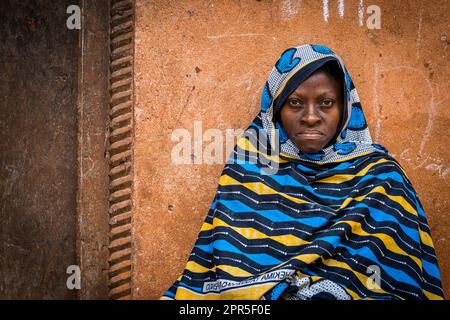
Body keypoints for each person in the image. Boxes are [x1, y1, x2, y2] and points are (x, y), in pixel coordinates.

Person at [161, 44, 444, 300]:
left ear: (346, 108)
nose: (310, 117)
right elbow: (222, 267)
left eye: (326, 103)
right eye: (295, 103)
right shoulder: (250, 165)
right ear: (275, 109)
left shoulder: (381, 178)